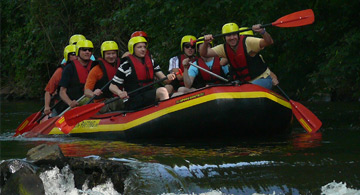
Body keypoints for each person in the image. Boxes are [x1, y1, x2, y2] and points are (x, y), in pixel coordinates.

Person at [200, 23, 275, 89]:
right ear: (224, 38)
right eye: (229, 35)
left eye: (234, 34)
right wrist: (205, 43)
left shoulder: (248, 42)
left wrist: (263, 32)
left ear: (238, 35)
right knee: (241, 89)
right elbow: (204, 54)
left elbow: (269, 42)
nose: (232, 38)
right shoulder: (224, 48)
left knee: (247, 88)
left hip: (262, 79)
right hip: (243, 84)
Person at [109, 36, 175, 110]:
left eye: (144, 47)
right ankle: (166, 115)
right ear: (132, 49)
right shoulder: (126, 66)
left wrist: (169, 77)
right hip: (133, 99)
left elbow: (165, 80)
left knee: (174, 92)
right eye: (139, 47)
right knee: (162, 91)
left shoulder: (151, 62)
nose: (143, 49)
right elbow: (112, 86)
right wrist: (119, 92)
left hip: (148, 94)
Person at [84, 41, 123, 112]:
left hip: (118, 97)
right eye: (108, 54)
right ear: (103, 54)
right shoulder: (96, 70)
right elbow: (87, 91)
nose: (111, 56)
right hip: (102, 103)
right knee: (121, 102)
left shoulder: (121, 65)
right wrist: (93, 93)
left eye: (113, 53)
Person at [59, 39, 97, 109]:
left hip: (93, 102)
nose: (87, 52)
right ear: (78, 52)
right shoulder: (69, 68)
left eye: (89, 50)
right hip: (76, 104)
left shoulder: (95, 66)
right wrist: (70, 102)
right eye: (84, 50)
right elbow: (62, 91)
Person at [43, 45, 77, 116]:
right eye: (73, 54)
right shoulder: (60, 71)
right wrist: (47, 106)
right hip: (61, 106)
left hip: (78, 104)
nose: (76, 56)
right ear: (67, 56)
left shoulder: (85, 68)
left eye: (77, 54)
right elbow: (48, 91)